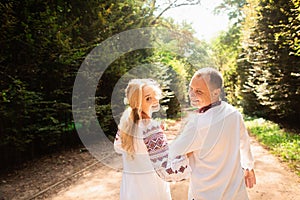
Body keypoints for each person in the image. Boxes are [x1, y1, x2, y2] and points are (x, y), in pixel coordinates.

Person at [143, 67, 256, 200]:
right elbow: (244, 144)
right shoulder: (233, 113)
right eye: (191, 88)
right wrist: (249, 167)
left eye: (198, 91)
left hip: (205, 195)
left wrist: (155, 136)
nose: (192, 94)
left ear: (216, 92)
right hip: (237, 194)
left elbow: (170, 156)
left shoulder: (198, 125)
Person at [114, 78, 190, 200]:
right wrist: (187, 154)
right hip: (152, 190)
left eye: (154, 95)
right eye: (148, 98)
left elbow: (118, 147)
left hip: (131, 190)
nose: (155, 100)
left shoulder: (125, 124)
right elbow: (166, 169)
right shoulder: (151, 128)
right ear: (137, 103)